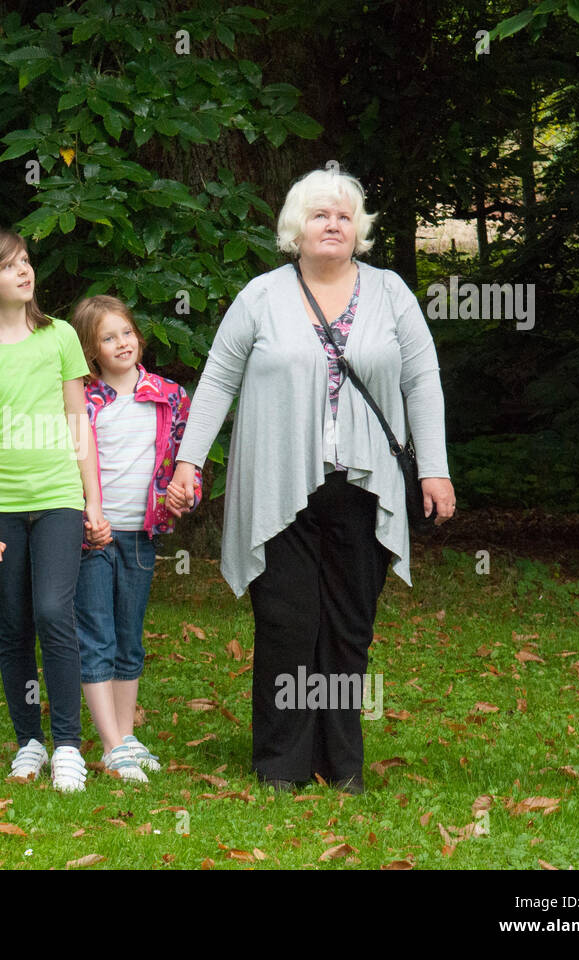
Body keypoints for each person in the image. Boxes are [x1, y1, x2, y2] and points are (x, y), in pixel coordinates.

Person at [167, 168, 455, 795]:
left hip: (365, 487)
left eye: (345, 216)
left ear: (359, 231)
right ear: (296, 229)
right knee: (287, 623)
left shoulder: (392, 294)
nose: (333, 224)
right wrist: (189, 462)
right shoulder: (262, 295)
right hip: (276, 485)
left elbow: (421, 381)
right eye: (321, 215)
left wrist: (434, 468)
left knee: (350, 627)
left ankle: (341, 761)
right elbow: (218, 381)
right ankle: (281, 763)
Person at [0, 227, 110, 793]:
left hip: (59, 498)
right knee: (13, 625)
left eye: (26, 261)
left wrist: (92, 498)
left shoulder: (59, 335)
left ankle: (68, 745)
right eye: (9, 265)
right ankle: (29, 743)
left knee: (52, 612)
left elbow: (77, 418)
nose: (24, 271)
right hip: (1, 509)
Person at [71, 295, 202, 783]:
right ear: (91, 350)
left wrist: (183, 495)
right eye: (108, 338)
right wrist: (86, 512)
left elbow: (186, 464)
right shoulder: (82, 401)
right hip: (94, 538)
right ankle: (110, 743)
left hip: (142, 536)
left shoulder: (170, 395)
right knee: (97, 635)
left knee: (129, 639)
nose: (121, 343)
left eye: (126, 332)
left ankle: (124, 737)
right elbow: (67, 464)